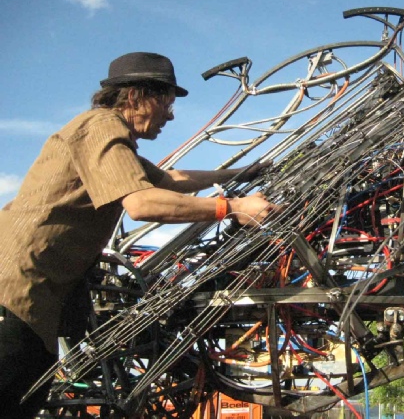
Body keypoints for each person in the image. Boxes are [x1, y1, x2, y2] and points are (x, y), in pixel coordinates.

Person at [0, 52, 277, 418]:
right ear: (135, 96)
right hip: (17, 292)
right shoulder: (101, 126)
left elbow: (169, 180)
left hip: (34, 297)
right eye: (167, 102)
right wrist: (233, 207)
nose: (170, 115)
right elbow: (142, 202)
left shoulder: (107, 138)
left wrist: (242, 173)